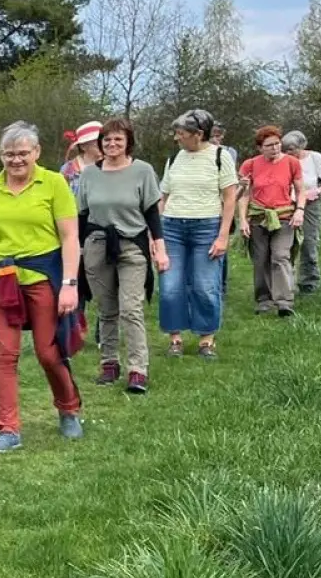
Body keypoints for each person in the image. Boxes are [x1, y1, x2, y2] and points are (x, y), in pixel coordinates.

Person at [0, 122, 84, 454]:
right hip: (1, 279)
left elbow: (70, 237)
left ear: (36, 152)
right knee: (4, 355)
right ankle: (8, 429)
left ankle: (68, 408)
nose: (16, 160)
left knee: (48, 352)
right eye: (9, 154)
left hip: (44, 277)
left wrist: (70, 284)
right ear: (1, 155)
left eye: (22, 153)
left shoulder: (54, 183)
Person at [77, 118, 168, 394]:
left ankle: (138, 369)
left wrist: (160, 248)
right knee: (106, 309)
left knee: (131, 309)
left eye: (118, 139)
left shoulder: (143, 171)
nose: (112, 144)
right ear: (100, 143)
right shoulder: (89, 174)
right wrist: (77, 251)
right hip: (97, 244)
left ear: (128, 142)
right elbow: (82, 215)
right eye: (107, 139)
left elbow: (152, 213)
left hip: (131, 245)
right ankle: (109, 363)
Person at [158, 109, 239, 358]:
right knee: (170, 286)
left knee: (205, 286)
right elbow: (164, 197)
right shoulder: (174, 158)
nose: (176, 138)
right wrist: (156, 236)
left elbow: (230, 198)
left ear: (198, 134)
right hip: (172, 227)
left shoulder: (220, 156)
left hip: (207, 227)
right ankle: (175, 338)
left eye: (181, 133)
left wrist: (223, 236)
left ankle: (206, 339)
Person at [237, 125, 308, 317]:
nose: (275, 148)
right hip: (259, 218)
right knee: (260, 260)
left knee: (281, 256)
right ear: (260, 148)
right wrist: (243, 220)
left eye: (277, 144)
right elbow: (244, 196)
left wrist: (300, 210)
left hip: (284, 217)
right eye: (269, 145)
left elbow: (301, 190)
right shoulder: (250, 165)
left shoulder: (292, 163)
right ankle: (264, 300)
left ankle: (284, 301)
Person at [282, 130, 321, 293]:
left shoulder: (315, 157)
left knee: (309, 242)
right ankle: (285, 282)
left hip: (310, 205)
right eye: (286, 149)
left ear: (301, 146)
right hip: (286, 204)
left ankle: (308, 282)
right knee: (285, 244)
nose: (288, 153)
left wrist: (316, 192)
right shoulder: (284, 160)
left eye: (291, 149)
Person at [59, 121, 103, 192]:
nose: (102, 146)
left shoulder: (110, 165)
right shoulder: (68, 170)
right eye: (97, 143)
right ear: (83, 147)